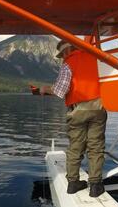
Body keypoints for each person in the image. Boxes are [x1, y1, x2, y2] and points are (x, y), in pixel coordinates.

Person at [39, 40, 107, 197]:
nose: (62, 57)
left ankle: (73, 183)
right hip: (98, 107)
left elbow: (60, 90)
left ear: (68, 51)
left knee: (76, 147)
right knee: (96, 146)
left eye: (63, 54)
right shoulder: (95, 58)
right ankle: (96, 186)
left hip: (77, 110)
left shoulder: (68, 63)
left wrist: (44, 89)